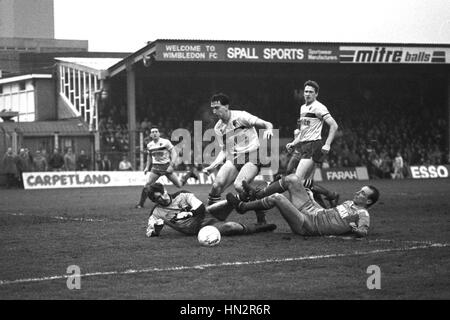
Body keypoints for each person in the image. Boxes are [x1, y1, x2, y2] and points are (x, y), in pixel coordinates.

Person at [226, 173, 379, 237]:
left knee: (278, 198)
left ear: (369, 201)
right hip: (314, 213)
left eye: (362, 194)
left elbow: (363, 231)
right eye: (359, 190)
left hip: (307, 226)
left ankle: (243, 207)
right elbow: (330, 215)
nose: (358, 193)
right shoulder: (349, 203)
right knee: (292, 178)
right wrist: (313, 200)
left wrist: (356, 229)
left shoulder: (363, 214)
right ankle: (258, 195)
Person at [202, 93, 274, 225]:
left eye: (217, 107)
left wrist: (269, 128)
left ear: (226, 107)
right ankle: (210, 217)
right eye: (212, 108)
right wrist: (212, 166)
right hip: (236, 157)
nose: (214, 111)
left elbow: (266, 123)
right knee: (216, 185)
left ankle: (261, 215)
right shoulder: (218, 128)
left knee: (239, 186)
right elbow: (224, 150)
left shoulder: (241, 116)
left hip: (253, 154)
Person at [145, 182, 277, 238]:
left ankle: (239, 198)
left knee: (215, 207)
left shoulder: (183, 195)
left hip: (207, 214)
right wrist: (156, 230)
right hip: (202, 228)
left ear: (165, 190)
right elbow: (150, 232)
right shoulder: (156, 212)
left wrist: (188, 213)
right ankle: (259, 227)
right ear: (154, 201)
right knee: (230, 227)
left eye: (162, 194)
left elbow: (201, 208)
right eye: (157, 199)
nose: (162, 198)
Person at [284, 81, 340, 206]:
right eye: (306, 91)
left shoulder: (319, 107)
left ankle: (307, 206)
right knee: (306, 183)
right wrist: (293, 142)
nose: (307, 94)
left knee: (296, 180)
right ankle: (328, 201)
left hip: (313, 146)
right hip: (304, 145)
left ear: (316, 94)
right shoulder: (303, 108)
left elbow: (334, 125)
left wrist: (328, 144)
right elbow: (304, 131)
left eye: (311, 92)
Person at [135, 127, 182, 208]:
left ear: (159, 133)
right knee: (147, 185)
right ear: (150, 135)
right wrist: (147, 167)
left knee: (179, 185)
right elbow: (149, 156)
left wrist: (171, 165)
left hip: (166, 167)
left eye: (156, 131)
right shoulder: (149, 145)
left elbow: (174, 153)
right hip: (156, 167)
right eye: (153, 132)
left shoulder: (166, 142)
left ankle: (190, 175)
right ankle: (140, 204)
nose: (155, 133)